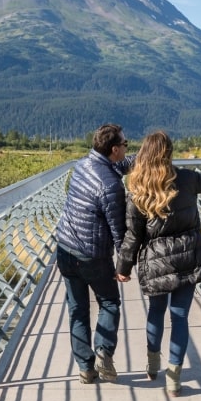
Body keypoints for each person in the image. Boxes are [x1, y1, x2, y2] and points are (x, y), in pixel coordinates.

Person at [116, 131, 201, 397]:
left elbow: (133, 235)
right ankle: (174, 379)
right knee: (180, 316)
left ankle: (152, 365)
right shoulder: (188, 179)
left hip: (156, 262)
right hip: (188, 257)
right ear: (168, 153)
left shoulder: (137, 188)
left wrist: (123, 267)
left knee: (156, 311)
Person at [54, 123, 132, 384]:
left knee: (77, 310)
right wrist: (124, 267)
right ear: (114, 149)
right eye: (125, 145)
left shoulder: (82, 165)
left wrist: (140, 159)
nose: (126, 148)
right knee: (109, 302)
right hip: (93, 256)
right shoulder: (112, 186)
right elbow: (119, 232)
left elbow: (115, 167)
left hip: (65, 249)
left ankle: (85, 368)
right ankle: (103, 350)